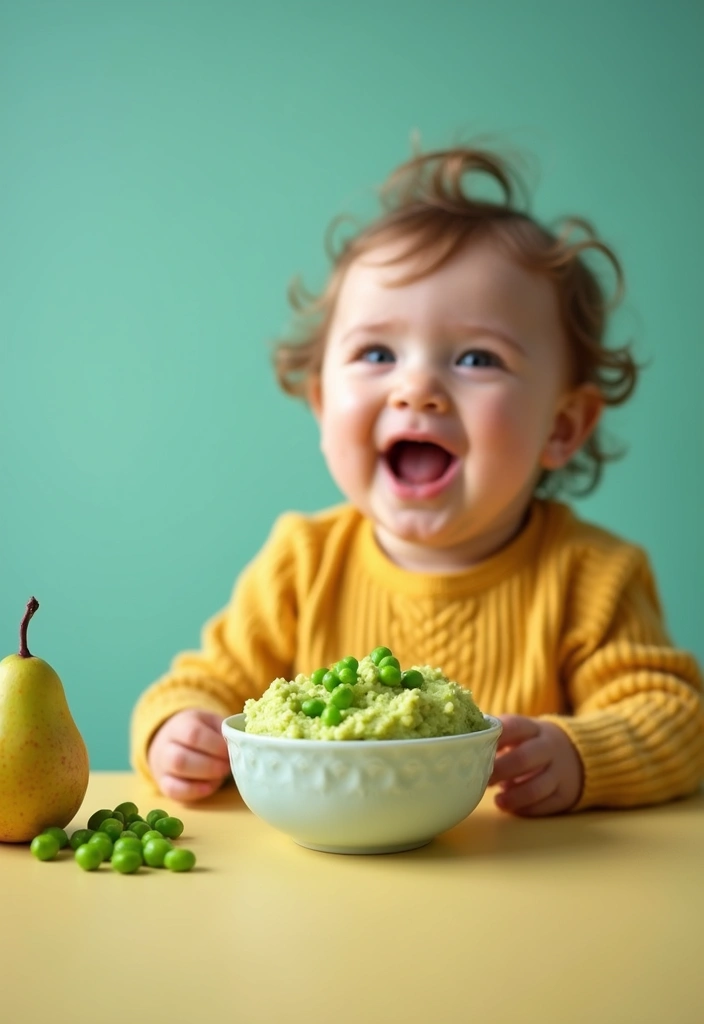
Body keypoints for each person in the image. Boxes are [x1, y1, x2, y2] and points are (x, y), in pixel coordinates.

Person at [130, 144, 704, 815]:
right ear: (321, 405)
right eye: (377, 353)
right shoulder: (301, 565)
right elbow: (200, 683)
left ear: (562, 426)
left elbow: (676, 718)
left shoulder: (593, 578)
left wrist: (578, 754)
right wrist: (177, 732)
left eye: (475, 357)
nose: (418, 388)